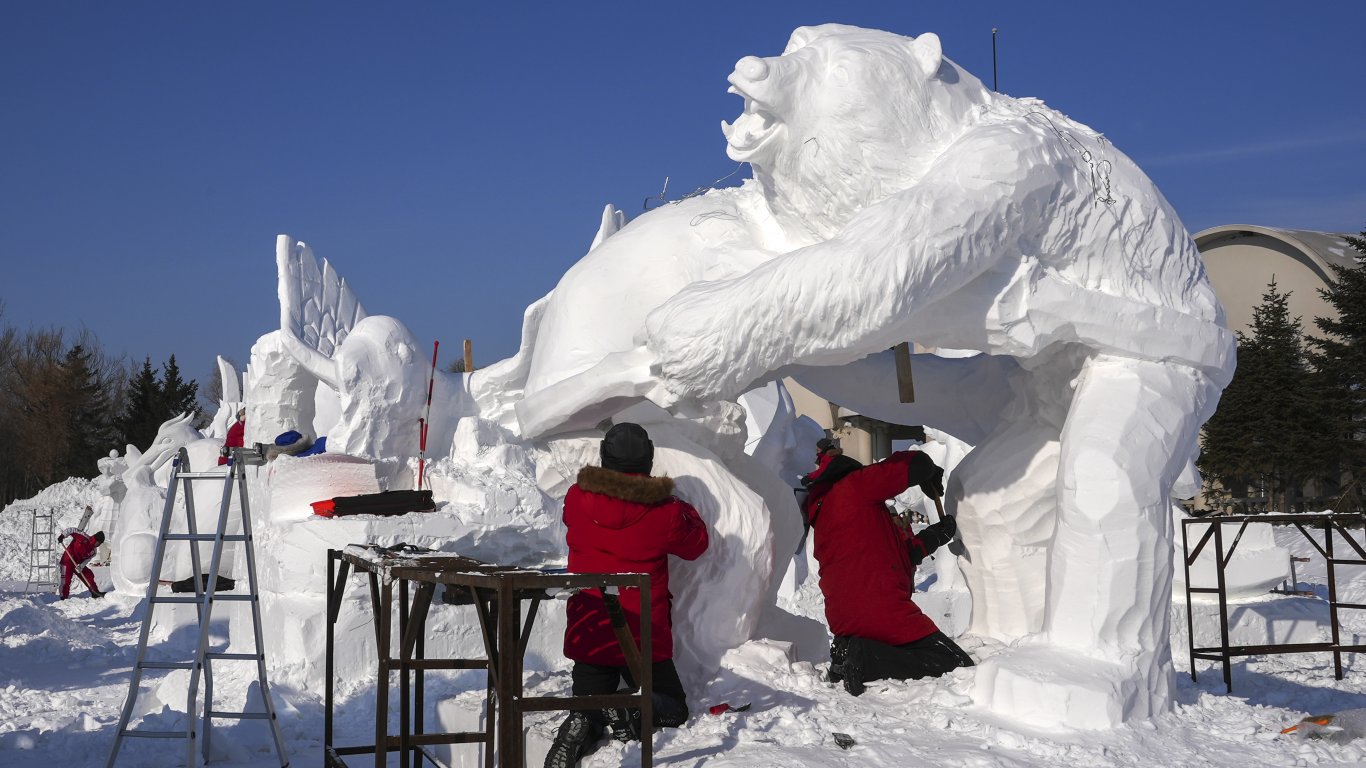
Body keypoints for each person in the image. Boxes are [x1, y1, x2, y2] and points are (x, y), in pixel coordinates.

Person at [544, 422, 709, 768]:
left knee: (588, 699)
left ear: (604, 458)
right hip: (642, 637)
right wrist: (681, 506)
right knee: (672, 705)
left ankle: (583, 719)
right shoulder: (664, 512)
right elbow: (697, 545)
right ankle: (627, 710)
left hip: (590, 632)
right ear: (649, 460)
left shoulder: (577, 497)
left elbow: (572, 519)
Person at [806, 448, 972, 695]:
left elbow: (898, 556)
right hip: (880, 609)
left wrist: (935, 535)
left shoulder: (828, 517)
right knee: (954, 663)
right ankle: (866, 659)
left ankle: (850, 649)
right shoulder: (854, 486)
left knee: (908, 649)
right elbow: (911, 465)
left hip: (844, 619)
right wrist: (928, 472)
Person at [58, 528, 105, 599]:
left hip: (77, 564)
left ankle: (95, 592)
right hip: (67, 560)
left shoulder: (93, 551)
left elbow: (87, 560)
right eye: (99, 543)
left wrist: (81, 566)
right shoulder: (83, 536)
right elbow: (71, 530)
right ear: (96, 539)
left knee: (88, 575)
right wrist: (63, 536)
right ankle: (63, 597)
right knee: (66, 580)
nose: (99, 545)